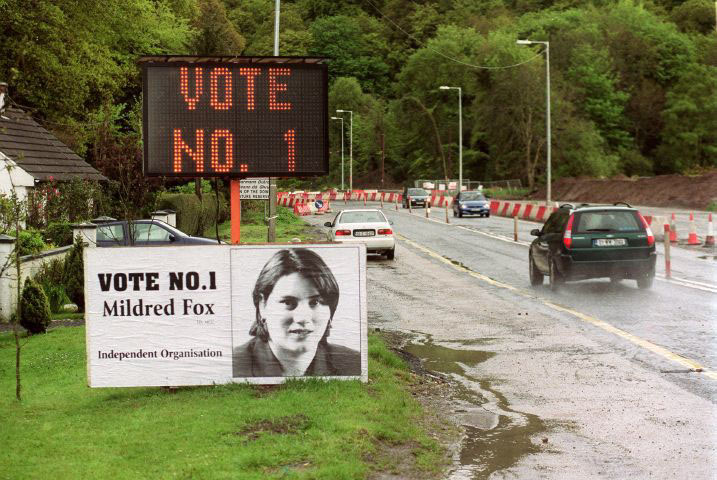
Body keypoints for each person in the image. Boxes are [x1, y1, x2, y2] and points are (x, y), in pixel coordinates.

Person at [233, 248, 361, 377]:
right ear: (262, 305)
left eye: (315, 302)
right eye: (288, 302)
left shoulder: (354, 363)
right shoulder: (233, 366)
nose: (302, 318)